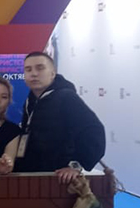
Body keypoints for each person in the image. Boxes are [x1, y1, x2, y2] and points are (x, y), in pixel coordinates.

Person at [16, 51, 106, 181]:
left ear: (53, 73)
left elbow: (94, 131)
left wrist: (76, 165)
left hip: (60, 179)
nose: (34, 73)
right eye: (28, 69)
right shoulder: (30, 101)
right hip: (35, 174)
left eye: (40, 68)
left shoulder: (67, 98)